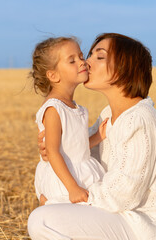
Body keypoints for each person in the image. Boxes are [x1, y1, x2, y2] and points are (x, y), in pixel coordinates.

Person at [28, 33, 156, 239]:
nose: (86, 62)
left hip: (154, 226)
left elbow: (122, 195)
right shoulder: (109, 115)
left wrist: (58, 201)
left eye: (99, 57)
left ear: (125, 69)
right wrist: (54, 149)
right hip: (125, 218)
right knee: (43, 219)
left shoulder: (140, 119)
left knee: (42, 219)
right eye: (88, 55)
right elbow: (81, 152)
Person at [30, 37, 107, 205]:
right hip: (65, 178)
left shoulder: (74, 107)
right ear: (53, 75)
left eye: (81, 56)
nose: (82, 62)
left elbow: (73, 146)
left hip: (79, 169)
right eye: (72, 60)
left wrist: (98, 137)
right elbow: (53, 152)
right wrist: (72, 187)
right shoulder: (54, 109)